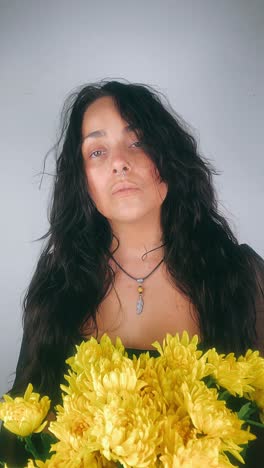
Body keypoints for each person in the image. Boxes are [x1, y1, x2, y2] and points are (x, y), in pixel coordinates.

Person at [1, 80, 264, 466]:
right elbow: (19, 431)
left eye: (137, 142)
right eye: (97, 151)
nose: (119, 162)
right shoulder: (58, 281)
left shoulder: (241, 276)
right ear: (84, 180)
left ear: (169, 159)